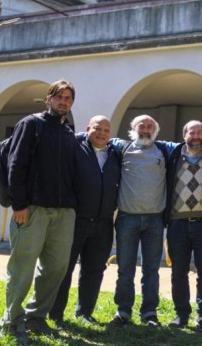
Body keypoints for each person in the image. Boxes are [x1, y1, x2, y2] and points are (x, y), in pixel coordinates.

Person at [0, 79, 78, 342]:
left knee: (56, 268)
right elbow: (16, 165)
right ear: (48, 98)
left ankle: (36, 318)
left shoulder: (68, 132)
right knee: (22, 267)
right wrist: (19, 204)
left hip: (64, 212)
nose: (63, 101)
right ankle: (11, 321)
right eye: (59, 97)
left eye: (68, 98)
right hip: (31, 209)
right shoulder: (30, 124)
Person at [49, 115, 121, 328]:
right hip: (75, 220)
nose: (101, 134)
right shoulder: (76, 147)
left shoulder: (115, 154)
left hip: (104, 222)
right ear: (88, 128)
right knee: (64, 268)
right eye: (97, 129)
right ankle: (55, 314)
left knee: (94, 270)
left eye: (106, 131)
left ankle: (85, 313)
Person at [107, 115, 177, 329]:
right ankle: (123, 311)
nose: (145, 130)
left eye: (150, 126)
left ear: (155, 130)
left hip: (155, 220)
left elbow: (188, 144)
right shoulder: (122, 148)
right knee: (125, 269)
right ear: (133, 128)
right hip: (127, 219)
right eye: (141, 126)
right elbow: (95, 136)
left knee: (151, 270)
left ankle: (149, 313)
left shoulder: (164, 149)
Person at [163, 120, 202, 334]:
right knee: (178, 273)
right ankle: (181, 315)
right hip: (177, 224)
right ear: (184, 135)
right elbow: (146, 139)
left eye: (200, 132)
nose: (196, 136)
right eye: (191, 132)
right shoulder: (173, 154)